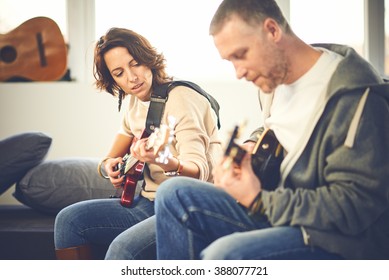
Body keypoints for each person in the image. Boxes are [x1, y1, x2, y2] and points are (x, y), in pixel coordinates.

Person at [155, 0, 389, 260]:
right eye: (230, 61)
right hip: (279, 208)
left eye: (241, 54)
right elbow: (278, 128)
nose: (238, 73)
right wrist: (250, 146)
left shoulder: (356, 97)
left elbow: (354, 205)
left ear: (272, 31)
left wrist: (258, 200)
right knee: (172, 193)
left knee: (223, 256)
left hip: (331, 237)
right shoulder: (276, 81)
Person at [54, 27, 222, 259]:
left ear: (148, 59)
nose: (132, 77)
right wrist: (109, 169)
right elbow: (107, 161)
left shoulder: (182, 99)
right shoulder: (133, 104)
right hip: (148, 202)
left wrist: (161, 159)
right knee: (69, 220)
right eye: (119, 73)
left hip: (185, 207)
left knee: (122, 250)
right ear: (112, 80)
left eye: (135, 64)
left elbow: (199, 172)